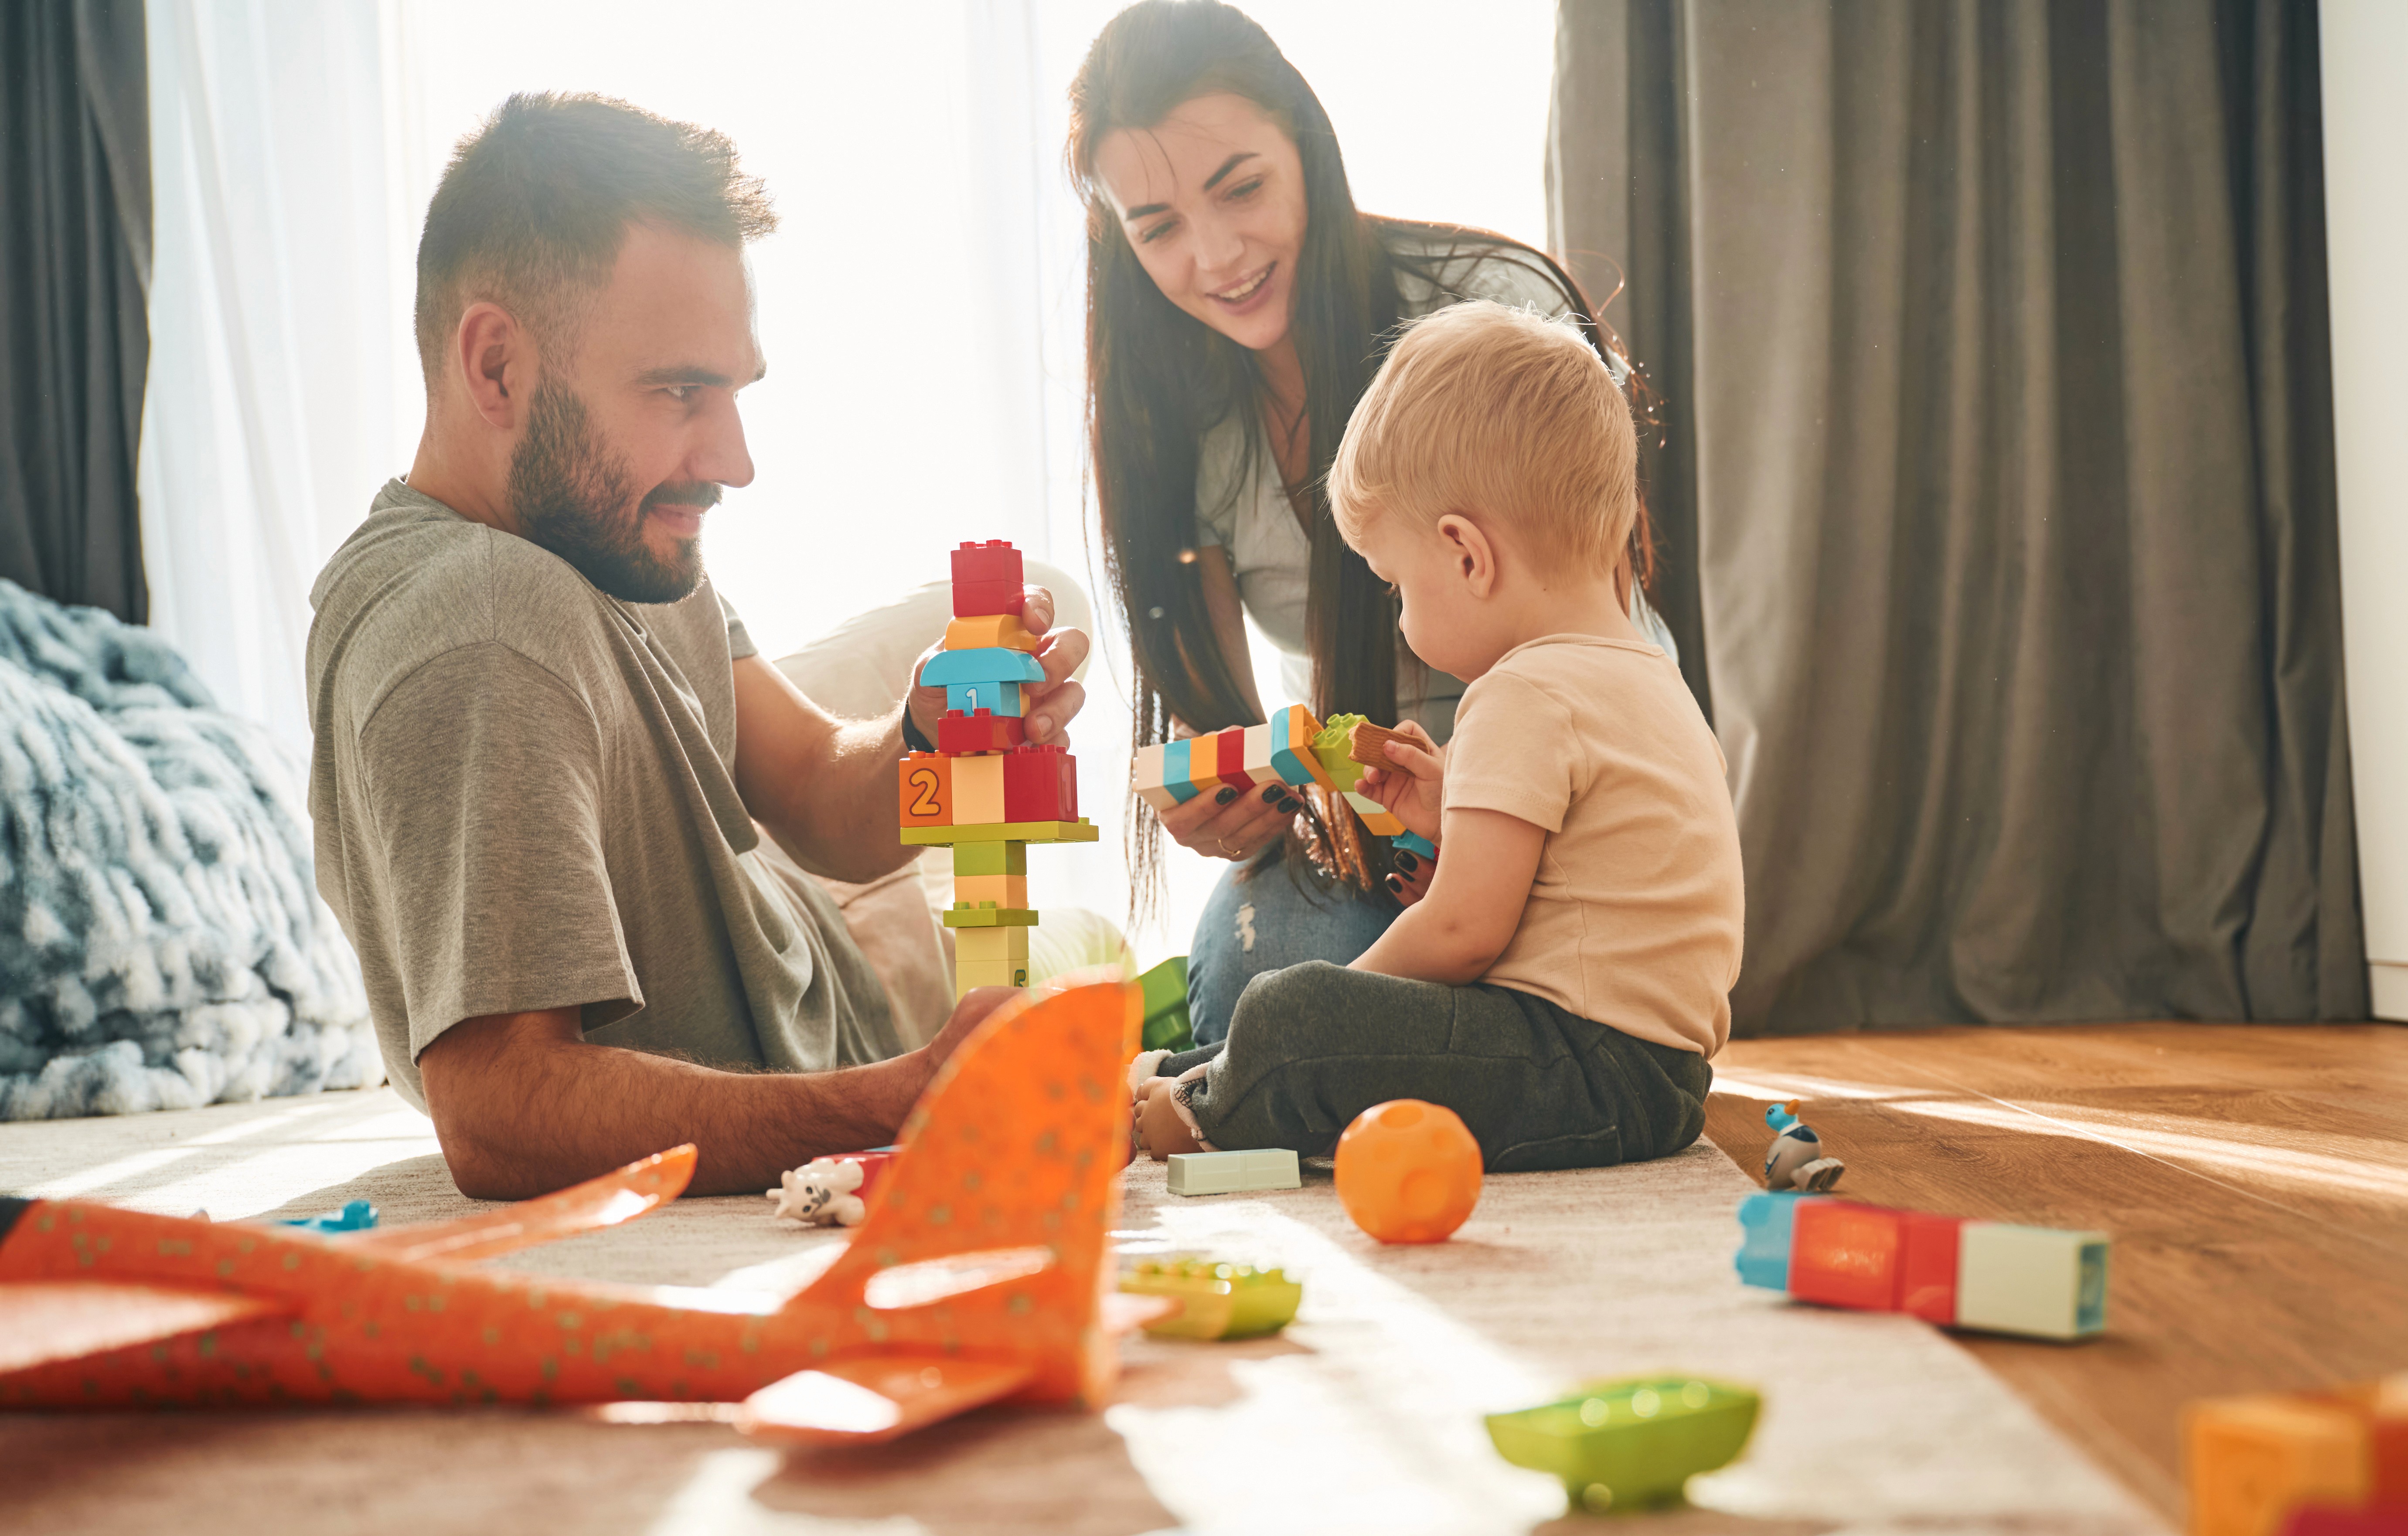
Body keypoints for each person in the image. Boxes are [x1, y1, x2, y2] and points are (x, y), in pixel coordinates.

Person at [306, 94, 1090, 1200]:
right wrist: (904, 1097)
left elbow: (819, 793)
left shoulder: (606, 527)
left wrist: (926, 730)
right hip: (854, 1000)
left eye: (732, 390)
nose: (733, 459)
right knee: (1096, 978)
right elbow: (497, 1114)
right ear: (495, 368)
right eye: (679, 391)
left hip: (801, 903)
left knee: (1042, 602)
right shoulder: (482, 629)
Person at [1068, 0, 1682, 1044]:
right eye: (1158, 229)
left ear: (1304, 145)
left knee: (1337, 1004)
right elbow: (1218, 723)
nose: (1215, 256)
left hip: (1571, 780)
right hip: (1379, 825)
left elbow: (1587, 640)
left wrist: (1466, 826)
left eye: (1242, 189)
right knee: (1265, 976)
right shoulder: (1177, 412)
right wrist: (1217, 803)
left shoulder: (1484, 309)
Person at [1133, 300, 1740, 1171]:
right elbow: (1588, 886)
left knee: (1290, 1013)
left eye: (1396, 587)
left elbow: (1462, 934)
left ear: (1465, 555)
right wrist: (1449, 820)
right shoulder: (1646, 678)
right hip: (1656, 1075)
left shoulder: (1521, 692)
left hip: (1582, 1067)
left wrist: (1337, 997)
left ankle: (1177, 1113)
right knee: (1293, 1023)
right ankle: (1182, 1077)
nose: (1399, 616)